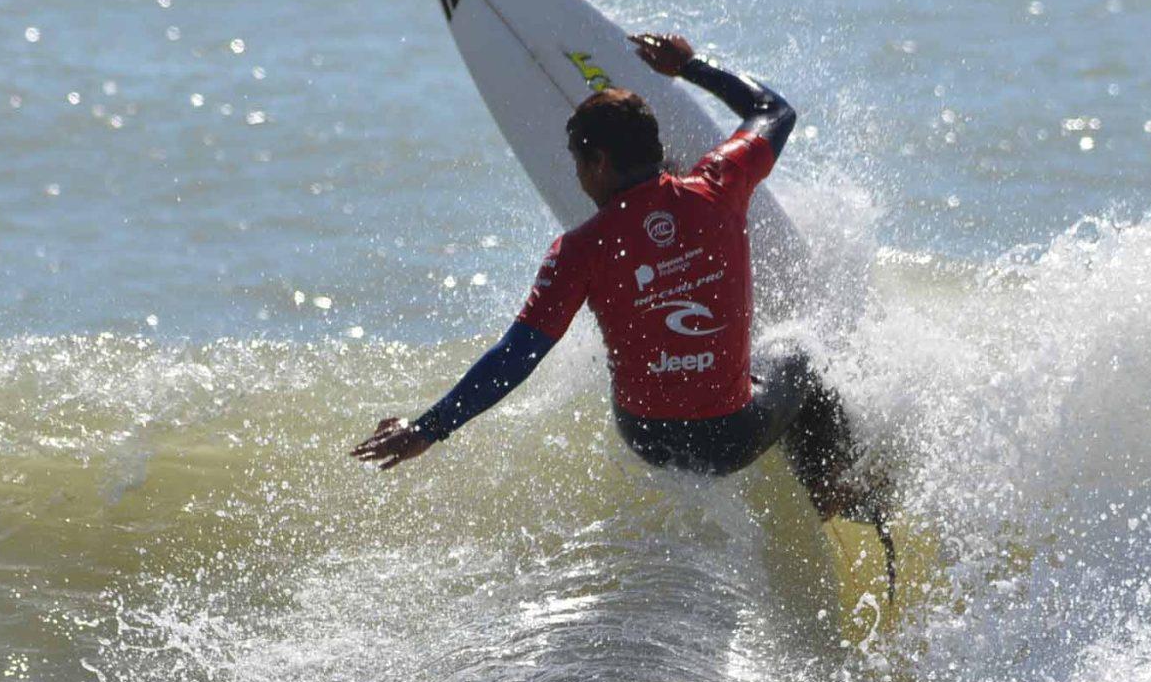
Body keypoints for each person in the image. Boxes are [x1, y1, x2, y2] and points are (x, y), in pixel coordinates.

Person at [352, 33, 881, 524]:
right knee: (795, 351)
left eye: (579, 165)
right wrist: (690, 67)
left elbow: (516, 357)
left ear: (599, 162)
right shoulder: (720, 184)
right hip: (728, 439)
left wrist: (428, 428)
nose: (578, 179)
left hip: (647, 435)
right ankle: (833, 488)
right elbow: (774, 110)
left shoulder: (578, 250)